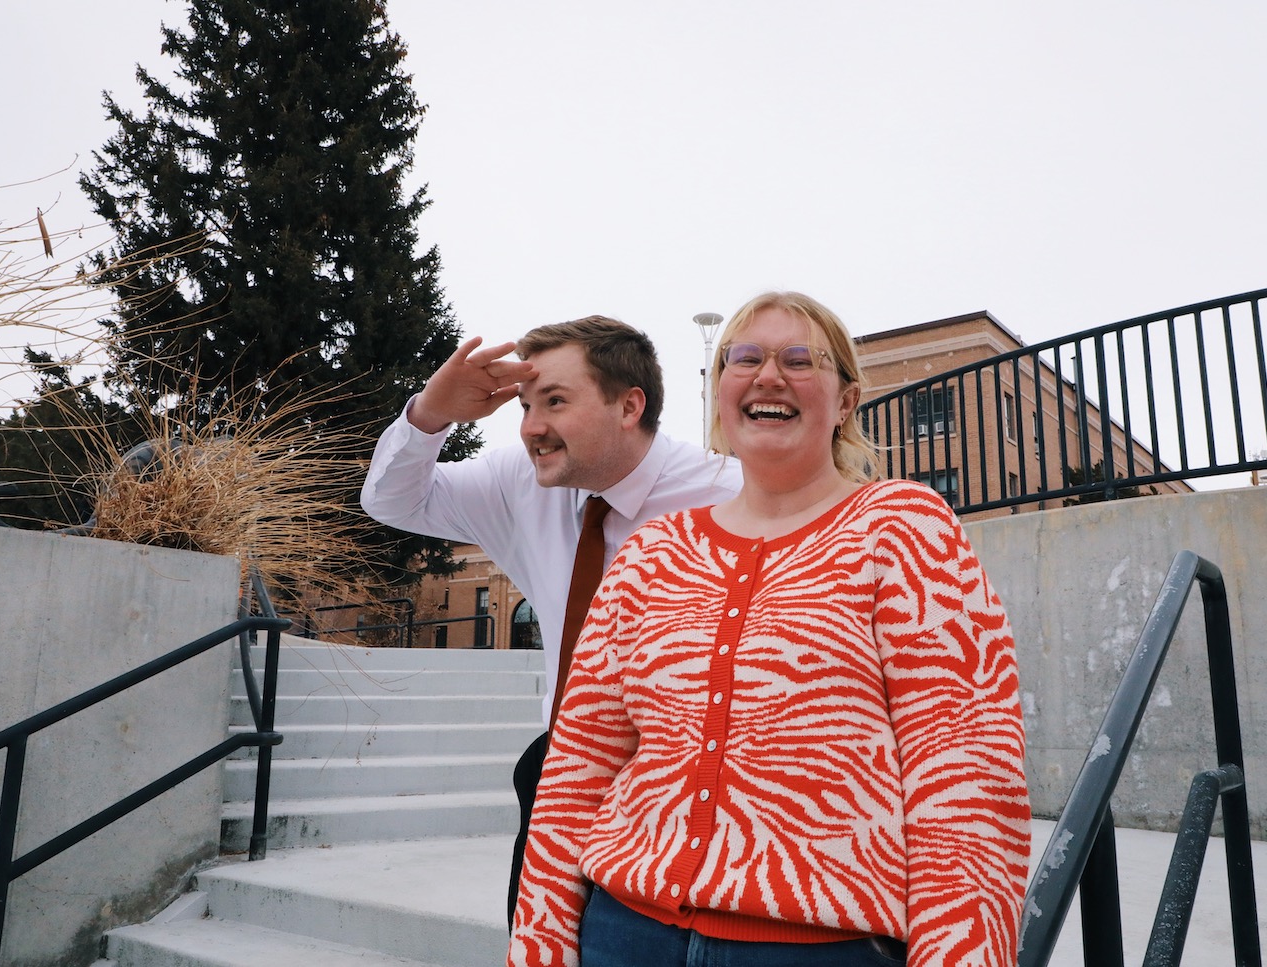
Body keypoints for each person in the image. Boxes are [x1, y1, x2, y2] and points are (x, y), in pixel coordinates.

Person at [509, 293, 1030, 967]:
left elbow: (966, 771)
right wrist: (539, 943)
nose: (768, 376)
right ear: (721, 393)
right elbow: (578, 765)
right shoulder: (652, 552)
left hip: (819, 948)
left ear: (845, 401)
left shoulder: (901, 527)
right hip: (620, 931)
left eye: (799, 359)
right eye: (745, 358)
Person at [359, 316, 743, 928]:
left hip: (685, 779)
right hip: (557, 772)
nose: (532, 426)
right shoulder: (519, 480)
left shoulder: (727, 493)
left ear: (629, 405)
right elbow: (392, 499)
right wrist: (430, 414)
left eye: (556, 402)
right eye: (526, 405)